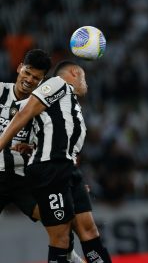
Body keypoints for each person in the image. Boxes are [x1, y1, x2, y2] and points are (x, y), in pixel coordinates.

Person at [0, 60, 111, 263]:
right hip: (49, 169)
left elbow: (47, 132)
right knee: (60, 236)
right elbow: (24, 113)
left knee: (89, 230)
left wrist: (30, 147)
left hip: (66, 170)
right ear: (74, 73)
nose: (86, 84)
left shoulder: (67, 104)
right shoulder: (58, 83)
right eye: (84, 78)